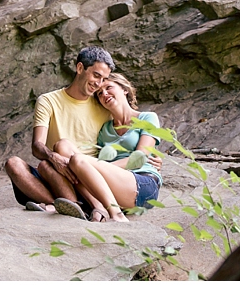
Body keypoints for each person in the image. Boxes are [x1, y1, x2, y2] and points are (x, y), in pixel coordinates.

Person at [4, 46, 114, 219]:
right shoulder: (48, 100)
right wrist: (53, 157)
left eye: (104, 79)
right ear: (80, 68)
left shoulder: (103, 107)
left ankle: (73, 205)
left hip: (86, 181)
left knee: (49, 162)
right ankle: (64, 206)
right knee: (14, 164)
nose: (99, 84)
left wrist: (146, 157)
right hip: (55, 176)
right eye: (96, 75)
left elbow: (124, 131)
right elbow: (37, 146)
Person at [53, 73, 163, 223]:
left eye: (109, 87)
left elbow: (140, 157)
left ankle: (117, 215)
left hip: (142, 184)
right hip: (113, 188)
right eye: (99, 93)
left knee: (79, 161)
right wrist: (95, 169)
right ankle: (98, 207)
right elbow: (99, 163)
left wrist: (96, 169)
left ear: (124, 89)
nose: (104, 94)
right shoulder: (105, 130)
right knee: (62, 145)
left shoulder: (147, 117)